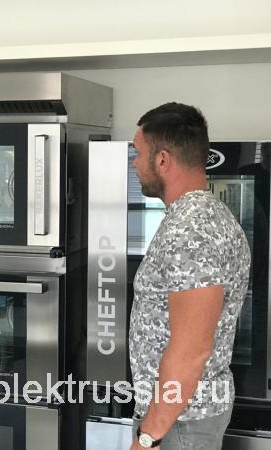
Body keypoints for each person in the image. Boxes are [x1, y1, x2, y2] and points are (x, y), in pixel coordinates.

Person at [128, 103, 250, 449]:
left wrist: (148, 438)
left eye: (138, 153)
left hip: (178, 424)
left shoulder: (189, 230)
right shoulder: (211, 214)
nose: (134, 163)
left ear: (162, 160)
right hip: (183, 417)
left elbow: (191, 350)